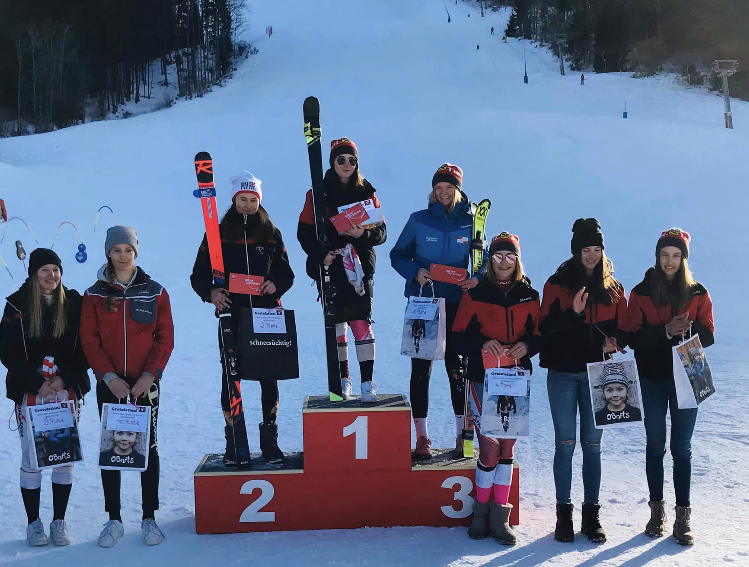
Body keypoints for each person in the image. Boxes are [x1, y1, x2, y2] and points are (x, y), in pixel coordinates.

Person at [191, 172, 294, 466]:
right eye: (243, 200)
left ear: (259, 202)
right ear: (234, 200)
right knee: (230, 375)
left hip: (265, 316)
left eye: (252, 200)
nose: (248, 205)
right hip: (232, 317)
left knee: (268, 376)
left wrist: (276, 284)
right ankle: (234, 441)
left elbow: (286, 272)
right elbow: (198, 274)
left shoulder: (271, 233)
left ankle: (270, 442)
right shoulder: (219, 233)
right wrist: (211, 293)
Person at [81, 226, 174, 548]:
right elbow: (89, 340)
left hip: (144, 384)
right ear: (108, 252)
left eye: (128, 250)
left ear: (136, 252)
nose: (123, 255)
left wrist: (150, 376)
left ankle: (149, 517)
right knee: (112, 449)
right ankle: (114, 518)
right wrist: (109, 377)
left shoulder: (155, 292)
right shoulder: (94, 294)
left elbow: (164, 338)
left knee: (147, 447)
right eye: (117, 249)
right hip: (112, 384)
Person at [539, 218, 628, 543]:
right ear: (576, 251)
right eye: (586, 249)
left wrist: (615, 340)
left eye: (597, 249)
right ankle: (564, 515)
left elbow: (624, 327)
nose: (591, 255)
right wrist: (573, 312)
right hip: (562, 374)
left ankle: (591, 517)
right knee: (565, 446)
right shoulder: (556, 284)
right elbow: (544, 331)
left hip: (599, 375)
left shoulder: (614, 288)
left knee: (593, 447)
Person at [391, 163, 487, 459]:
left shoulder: (471, 222)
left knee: (457, 369)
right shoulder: (418, 220)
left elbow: (483, 261)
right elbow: (397, 254)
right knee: (421, 370)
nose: (443, 192)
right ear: (433, 190)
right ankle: (422, 438)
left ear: (458, 190)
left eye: (449, 187)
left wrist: (477, 278)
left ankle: (462, 434)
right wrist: (415, 271)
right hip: (423, 301)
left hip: (458, 303)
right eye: (438, 187)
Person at [452, 233, 540, 545]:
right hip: (482, 377)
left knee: (507, 448)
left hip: (516, 379)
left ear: (517, 260)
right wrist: (481, 343)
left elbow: (538, 336)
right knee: (489, 446)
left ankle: (500, 516)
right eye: (498, 256)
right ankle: (480, 514)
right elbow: (458, 335)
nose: (504, 262)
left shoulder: (529, 294)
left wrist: (526, 346)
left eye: (510, 256)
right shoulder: (477, 294)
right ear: (490, 259)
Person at [628, 228, 714, 545]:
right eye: (665, 254)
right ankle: (656, 512)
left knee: (682, 449)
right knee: (655, 446)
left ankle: (682, 517)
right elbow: (632, 337)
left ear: (684, 259)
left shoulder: (698, 292)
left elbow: (710, 334)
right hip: (652, 378)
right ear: (657, 256)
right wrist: (664, 331)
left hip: (689, 377)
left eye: (676, 255)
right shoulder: (640, 292)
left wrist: (687, 332)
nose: (669, 261)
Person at [0, 248, 90, 547]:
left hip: (66, 390)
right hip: (31, 392)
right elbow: (8, 350)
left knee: (63, 456)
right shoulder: (17, 304)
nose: (52, 276)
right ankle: (33, 523)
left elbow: (86, 346)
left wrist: (65, 378)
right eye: (44, 270)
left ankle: (59, 521)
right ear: (33, 274)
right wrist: (36, 382)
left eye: (56, 270)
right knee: (33, 459)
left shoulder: (74, 303)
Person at [298, 138, 386, 403]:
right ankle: (343, 380)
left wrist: (362, 233)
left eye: (352, 160)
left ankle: (368, 382)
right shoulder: (317, 193)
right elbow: (304, 233)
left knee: (361, 323)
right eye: (341, 159)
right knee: (337, 325)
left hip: (359, 269)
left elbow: (381, 232)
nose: (346, 164)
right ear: (332, 162)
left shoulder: (367, 193)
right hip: (331, 267)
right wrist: (320, 254)